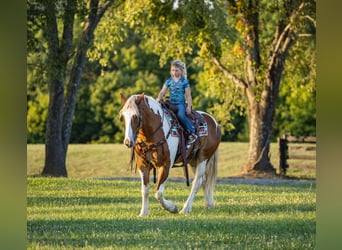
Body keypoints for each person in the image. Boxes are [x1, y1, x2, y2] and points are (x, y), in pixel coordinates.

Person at [156, 59, 198, 146]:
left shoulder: (184, 82)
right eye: (172, 70)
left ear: (181, 71)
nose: (174, 72)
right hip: (171, 103)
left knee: (180, 115)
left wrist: (189, 106)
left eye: (176, 70)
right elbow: (162, 91)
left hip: (180, 104)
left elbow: (188, 95)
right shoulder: (169, 81)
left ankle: (192, 131)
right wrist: (158, 98)